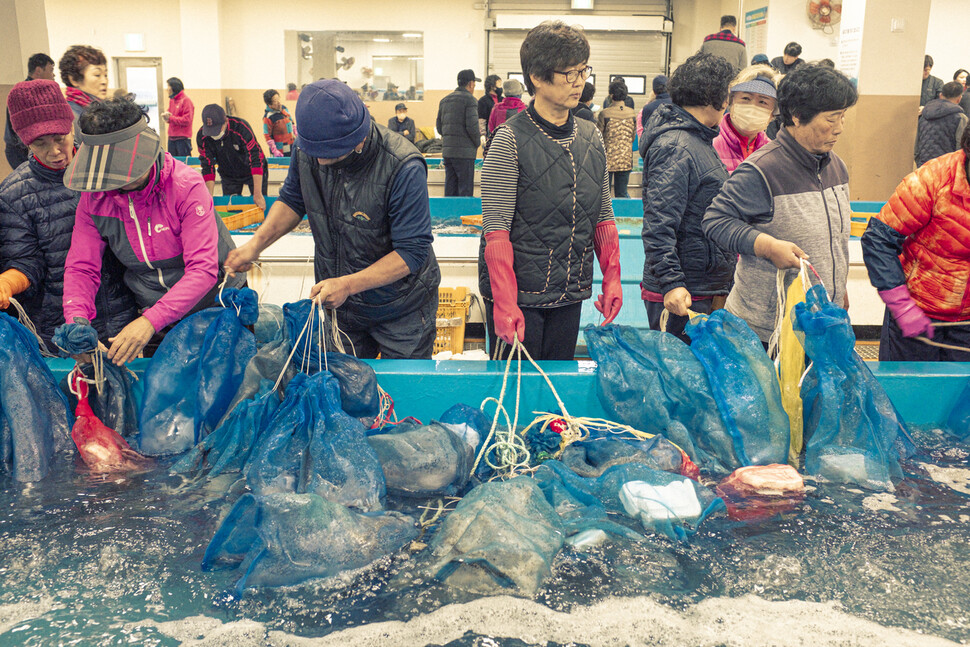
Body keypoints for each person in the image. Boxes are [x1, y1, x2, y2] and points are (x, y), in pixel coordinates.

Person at [224, 80, 441, 359]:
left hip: (402, 310)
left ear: (358, 138)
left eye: (329, 155)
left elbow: (411, 252)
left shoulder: (402, 166)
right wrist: (255, 245)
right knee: (346, 391)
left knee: (400, 393)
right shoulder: (307, 150)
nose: (320, 162)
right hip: (343, 308)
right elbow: (292, 198)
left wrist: (348, 284)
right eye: (314, 153)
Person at [479, 21, 621, 360]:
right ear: (537, 78)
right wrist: (504, 300)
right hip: (520, 296)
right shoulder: (509, 141)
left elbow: (602, 214)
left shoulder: (591, 136)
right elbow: (495, 232)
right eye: (568, 74)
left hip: (569, 292)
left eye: (583, 71)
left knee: (557, 393)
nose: (579, 82)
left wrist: (612, 277)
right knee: (516, 397)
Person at [61, 99, 243, 365]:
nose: (121, 180)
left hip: (215, 305)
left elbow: (202, 270)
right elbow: (81, 267)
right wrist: (76, 321)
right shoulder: (95, 199)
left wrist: (148, 322)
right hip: (154, 313)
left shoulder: (185, 187)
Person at [703, 64, 857, 346]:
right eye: (831, 119)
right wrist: (767, 246)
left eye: (843, 117)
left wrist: (838, 286)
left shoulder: (836, 166)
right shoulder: (762, 169)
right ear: (797, 116)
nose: (840, 128)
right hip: (767, 330)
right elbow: (716, 220)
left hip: (821, 321)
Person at [0, 80, 136, 349]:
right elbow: (27, 263)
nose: (54, 152)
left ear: (71, 126)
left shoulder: (104, 171)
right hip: (59, 326)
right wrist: (7, 282)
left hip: (122, 316)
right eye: (39, 144)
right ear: (25, 142)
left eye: (60, 138)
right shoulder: (14, 194)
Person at [640, 53, 737, 342]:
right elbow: (659, 223)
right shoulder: (677, 145)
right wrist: (671, 283)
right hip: (682, 293)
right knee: (680, 378)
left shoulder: (697, 139)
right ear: (714, 97)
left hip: (700, 285)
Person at [860, 127, 970, 362]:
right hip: (917, 313)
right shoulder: (932, 180)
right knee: (909, 393)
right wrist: (900, 304)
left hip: (966, 325)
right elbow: (878, 239)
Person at [196, 104, 268, 211]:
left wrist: (257, 193)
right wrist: (209, 196)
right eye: (210, 130)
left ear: (225, 121)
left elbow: (256, 158)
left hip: (252, 171)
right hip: (229, 175)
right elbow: (208, 166)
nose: (213, 134)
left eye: (216, 129)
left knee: (259, 204)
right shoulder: (203, 137)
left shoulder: (241, 128)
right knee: (232, 208)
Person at [712, 65, 779, 173]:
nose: (752, 107)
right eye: (746, 98)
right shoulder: (710, 143)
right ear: (731, 101)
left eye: (763, 102)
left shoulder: (772, 152)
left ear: (772, 113)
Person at [4, 53, 55, 170]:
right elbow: (22, 133)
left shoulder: (37, 92)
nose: (53, 74)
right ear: (38, 71)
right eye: (51, 70)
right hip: (19, 152)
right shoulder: (23, 94)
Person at [437, 69, 480, 196]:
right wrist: (477, 143)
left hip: (448, 153)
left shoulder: (444, 100)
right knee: (465, 191)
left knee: (450, 189)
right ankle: (464, 215)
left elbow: (439, 128)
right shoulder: (470, 100)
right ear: (471, 84)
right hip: (465, 154)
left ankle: (449, 216)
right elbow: (472, 127)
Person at [914, 81, 968, 168]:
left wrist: (919, 163)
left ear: (940, 95)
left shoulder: (925, 114)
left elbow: (917, 144)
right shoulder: (960, 118)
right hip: (946, 168)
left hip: (924, 166)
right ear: (959, 98)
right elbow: (961, 148)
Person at [598, 79, 636, 198]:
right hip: (625, 159)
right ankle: (623, 216)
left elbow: (598, 136)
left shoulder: (604, 114)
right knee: (622, 193)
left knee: (605, 195)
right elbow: (632, 137)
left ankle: (605, 216)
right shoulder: (632, 113)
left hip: (607, 160)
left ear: (611, 95)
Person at [59, 45, 109, 133]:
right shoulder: (69, 116)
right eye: (97, 75)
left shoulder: (99, 110)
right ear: (73, 79)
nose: (104, 81)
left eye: (105, 75)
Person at [162, 77, 194, 157]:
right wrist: (166, 117)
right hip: (172, 138)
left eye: (168, 87)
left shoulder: (186, 101)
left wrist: (171, 118)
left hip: (182, 139)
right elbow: (171, 116)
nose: (167, 90)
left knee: (183, 164)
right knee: (172, 163)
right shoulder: (172, 100)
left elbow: (187, 120)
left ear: (174, 88)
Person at [262, 89, 295, 157]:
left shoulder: (284, 108)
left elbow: (291, 121)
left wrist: (296, 134)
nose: (279, 102)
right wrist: (274, 150)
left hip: (291, 146)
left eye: (278, 99)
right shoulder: (268, 117)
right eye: (275, 101)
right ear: (269, 104)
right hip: (279, 151)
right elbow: (267, 135)